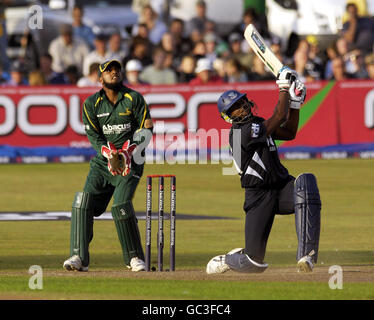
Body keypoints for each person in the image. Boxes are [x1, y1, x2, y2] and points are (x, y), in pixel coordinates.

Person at [207, 68, 322, 275]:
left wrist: (295, 104)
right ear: (228, 117)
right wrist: (284, 88)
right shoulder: (239, 132)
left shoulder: (257, 123)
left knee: (306, 184)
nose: (241, 108)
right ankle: (227, 259)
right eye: (235, 108)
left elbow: (289, 132)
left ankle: (306, 256)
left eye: (242, 102)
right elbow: (278, 116)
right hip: (258, 196)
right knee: (253, 263)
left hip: (281, 187)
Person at [63, 60, 153, 272]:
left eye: (117, 70)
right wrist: (108, 152)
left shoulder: (134, 98)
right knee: (82, 202)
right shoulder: (91, 103)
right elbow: (93, 135)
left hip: (131, 162)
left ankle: (134, 258)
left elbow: (146, 131)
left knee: (121, 206)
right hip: (103, 163)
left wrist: (128, 152)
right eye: (109, 71)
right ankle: (79, 257)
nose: (114, 73)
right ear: (99, 78)